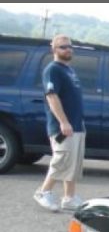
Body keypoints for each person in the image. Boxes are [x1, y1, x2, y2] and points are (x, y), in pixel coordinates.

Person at [33, 34, 85, 212]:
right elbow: (52, 96)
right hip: (63, 127)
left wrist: (77, 123)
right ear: (54, 49)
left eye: (70, 46)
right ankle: (43, 192)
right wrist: (63, 122)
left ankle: (69, 198)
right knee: (61, 160)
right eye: (63, 47)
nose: (68, 49)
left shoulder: (69, 70)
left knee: (72, 163)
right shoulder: (52, 70)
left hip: (76, 125)